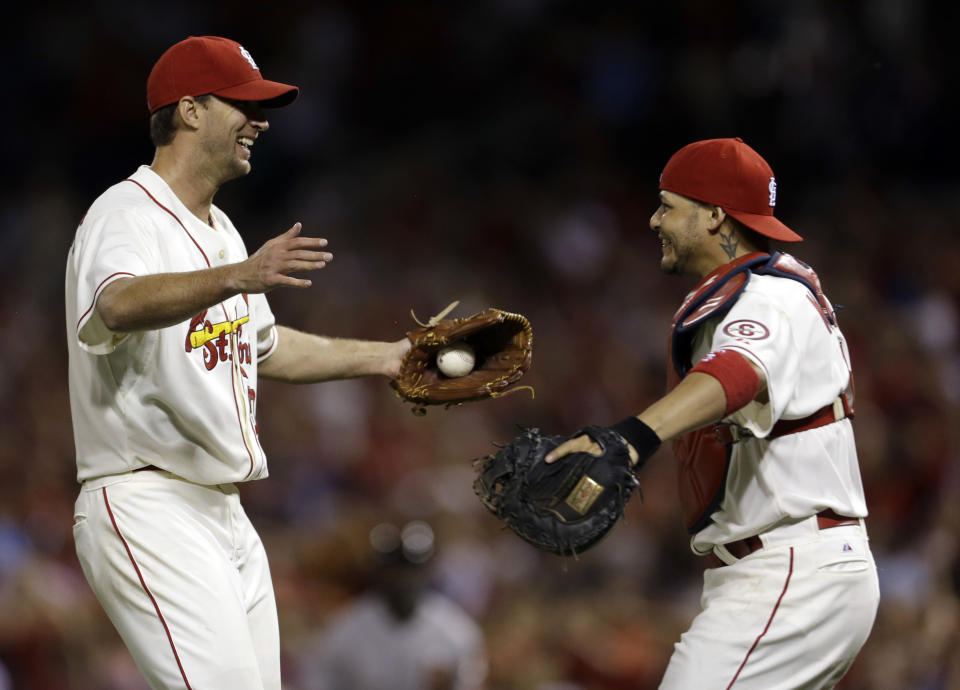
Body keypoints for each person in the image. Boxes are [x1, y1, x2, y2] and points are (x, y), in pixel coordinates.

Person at [64, 36, 410, 689]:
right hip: (148, 498)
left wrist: (386, 357)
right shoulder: (127, 212)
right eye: (241, 104)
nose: (260, 121)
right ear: (190, 111)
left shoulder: (220, 229)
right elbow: (114, 304)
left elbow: (265, 346)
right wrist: (235, 277)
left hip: (221, 510)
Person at [546, 137, 879, 688]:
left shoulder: (768, 295)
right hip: (794, 565)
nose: (654, 220)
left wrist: (629, 439)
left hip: (793, 569)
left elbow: (738, 373)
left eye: (667, 205)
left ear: (715, 215)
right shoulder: (764, 288)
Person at [300, 521, 487, 690]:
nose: (402, 580)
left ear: (426, 572)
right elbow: (316, 680)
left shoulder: (454, 630)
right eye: (395, 572)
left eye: (410, 571)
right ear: (378, 573)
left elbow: (473, 680)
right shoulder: (345, 629)